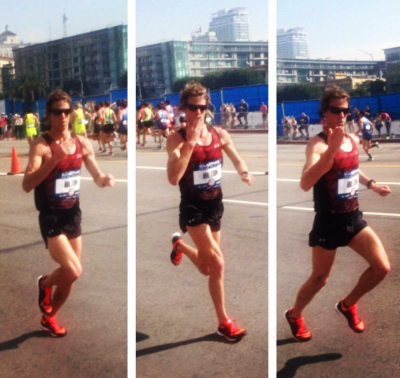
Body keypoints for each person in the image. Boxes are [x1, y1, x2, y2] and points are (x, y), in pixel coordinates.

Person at [285, 86, 391, 342]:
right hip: (328, 221)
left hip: (353, 218)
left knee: (382, 267)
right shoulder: (318, 144)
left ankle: (347, 304)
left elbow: (352, 170)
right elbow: (306, 182)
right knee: (320, 279)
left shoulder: (352, 140)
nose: (342, 115)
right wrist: (331, 150)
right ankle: (295, 314)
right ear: (324, 113)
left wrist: (372, 184)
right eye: (336, 110)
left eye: (345, 110)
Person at [166, 81, 255, 342]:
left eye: (202, 106)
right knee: (218, 263)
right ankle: (223, 323)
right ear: (183, 108)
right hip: (193, 208)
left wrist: (244, 172)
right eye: (193, 107)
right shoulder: (177, 139)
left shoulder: (219, 134)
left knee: (207, 268)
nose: (198, 112)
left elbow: (237, 158)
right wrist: (191, 144)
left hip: (215, 205)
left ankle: (180, 247)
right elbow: (174, 178)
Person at [22, 89, 115, 337]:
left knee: (70, 276)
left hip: (73, 215)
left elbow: (95, 173)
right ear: (49, 115)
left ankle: (48, 317)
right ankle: (44, 283)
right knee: (74, 270)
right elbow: (27, 184)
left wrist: (103, 178)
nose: (63, 117)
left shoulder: (82, 143)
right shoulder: (42, 145)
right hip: (51, 216)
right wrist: (54, 159)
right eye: (57, 112)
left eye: (66, 112)